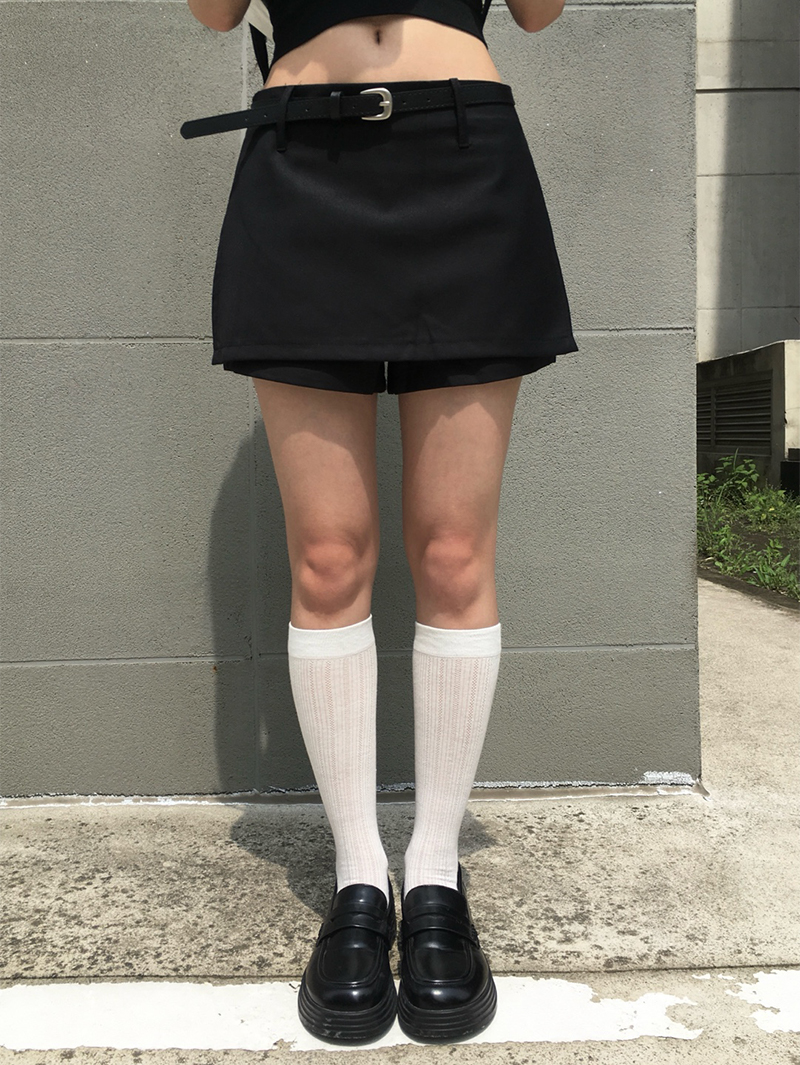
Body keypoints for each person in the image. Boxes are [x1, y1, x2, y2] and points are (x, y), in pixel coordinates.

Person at [183, 0, 576, 1046]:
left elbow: (540, 14)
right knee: (326, 558)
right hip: (301, 167)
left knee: (452, 552)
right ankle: (359, 874)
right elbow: (211, 14)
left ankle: (435, 872)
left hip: (463, 157)